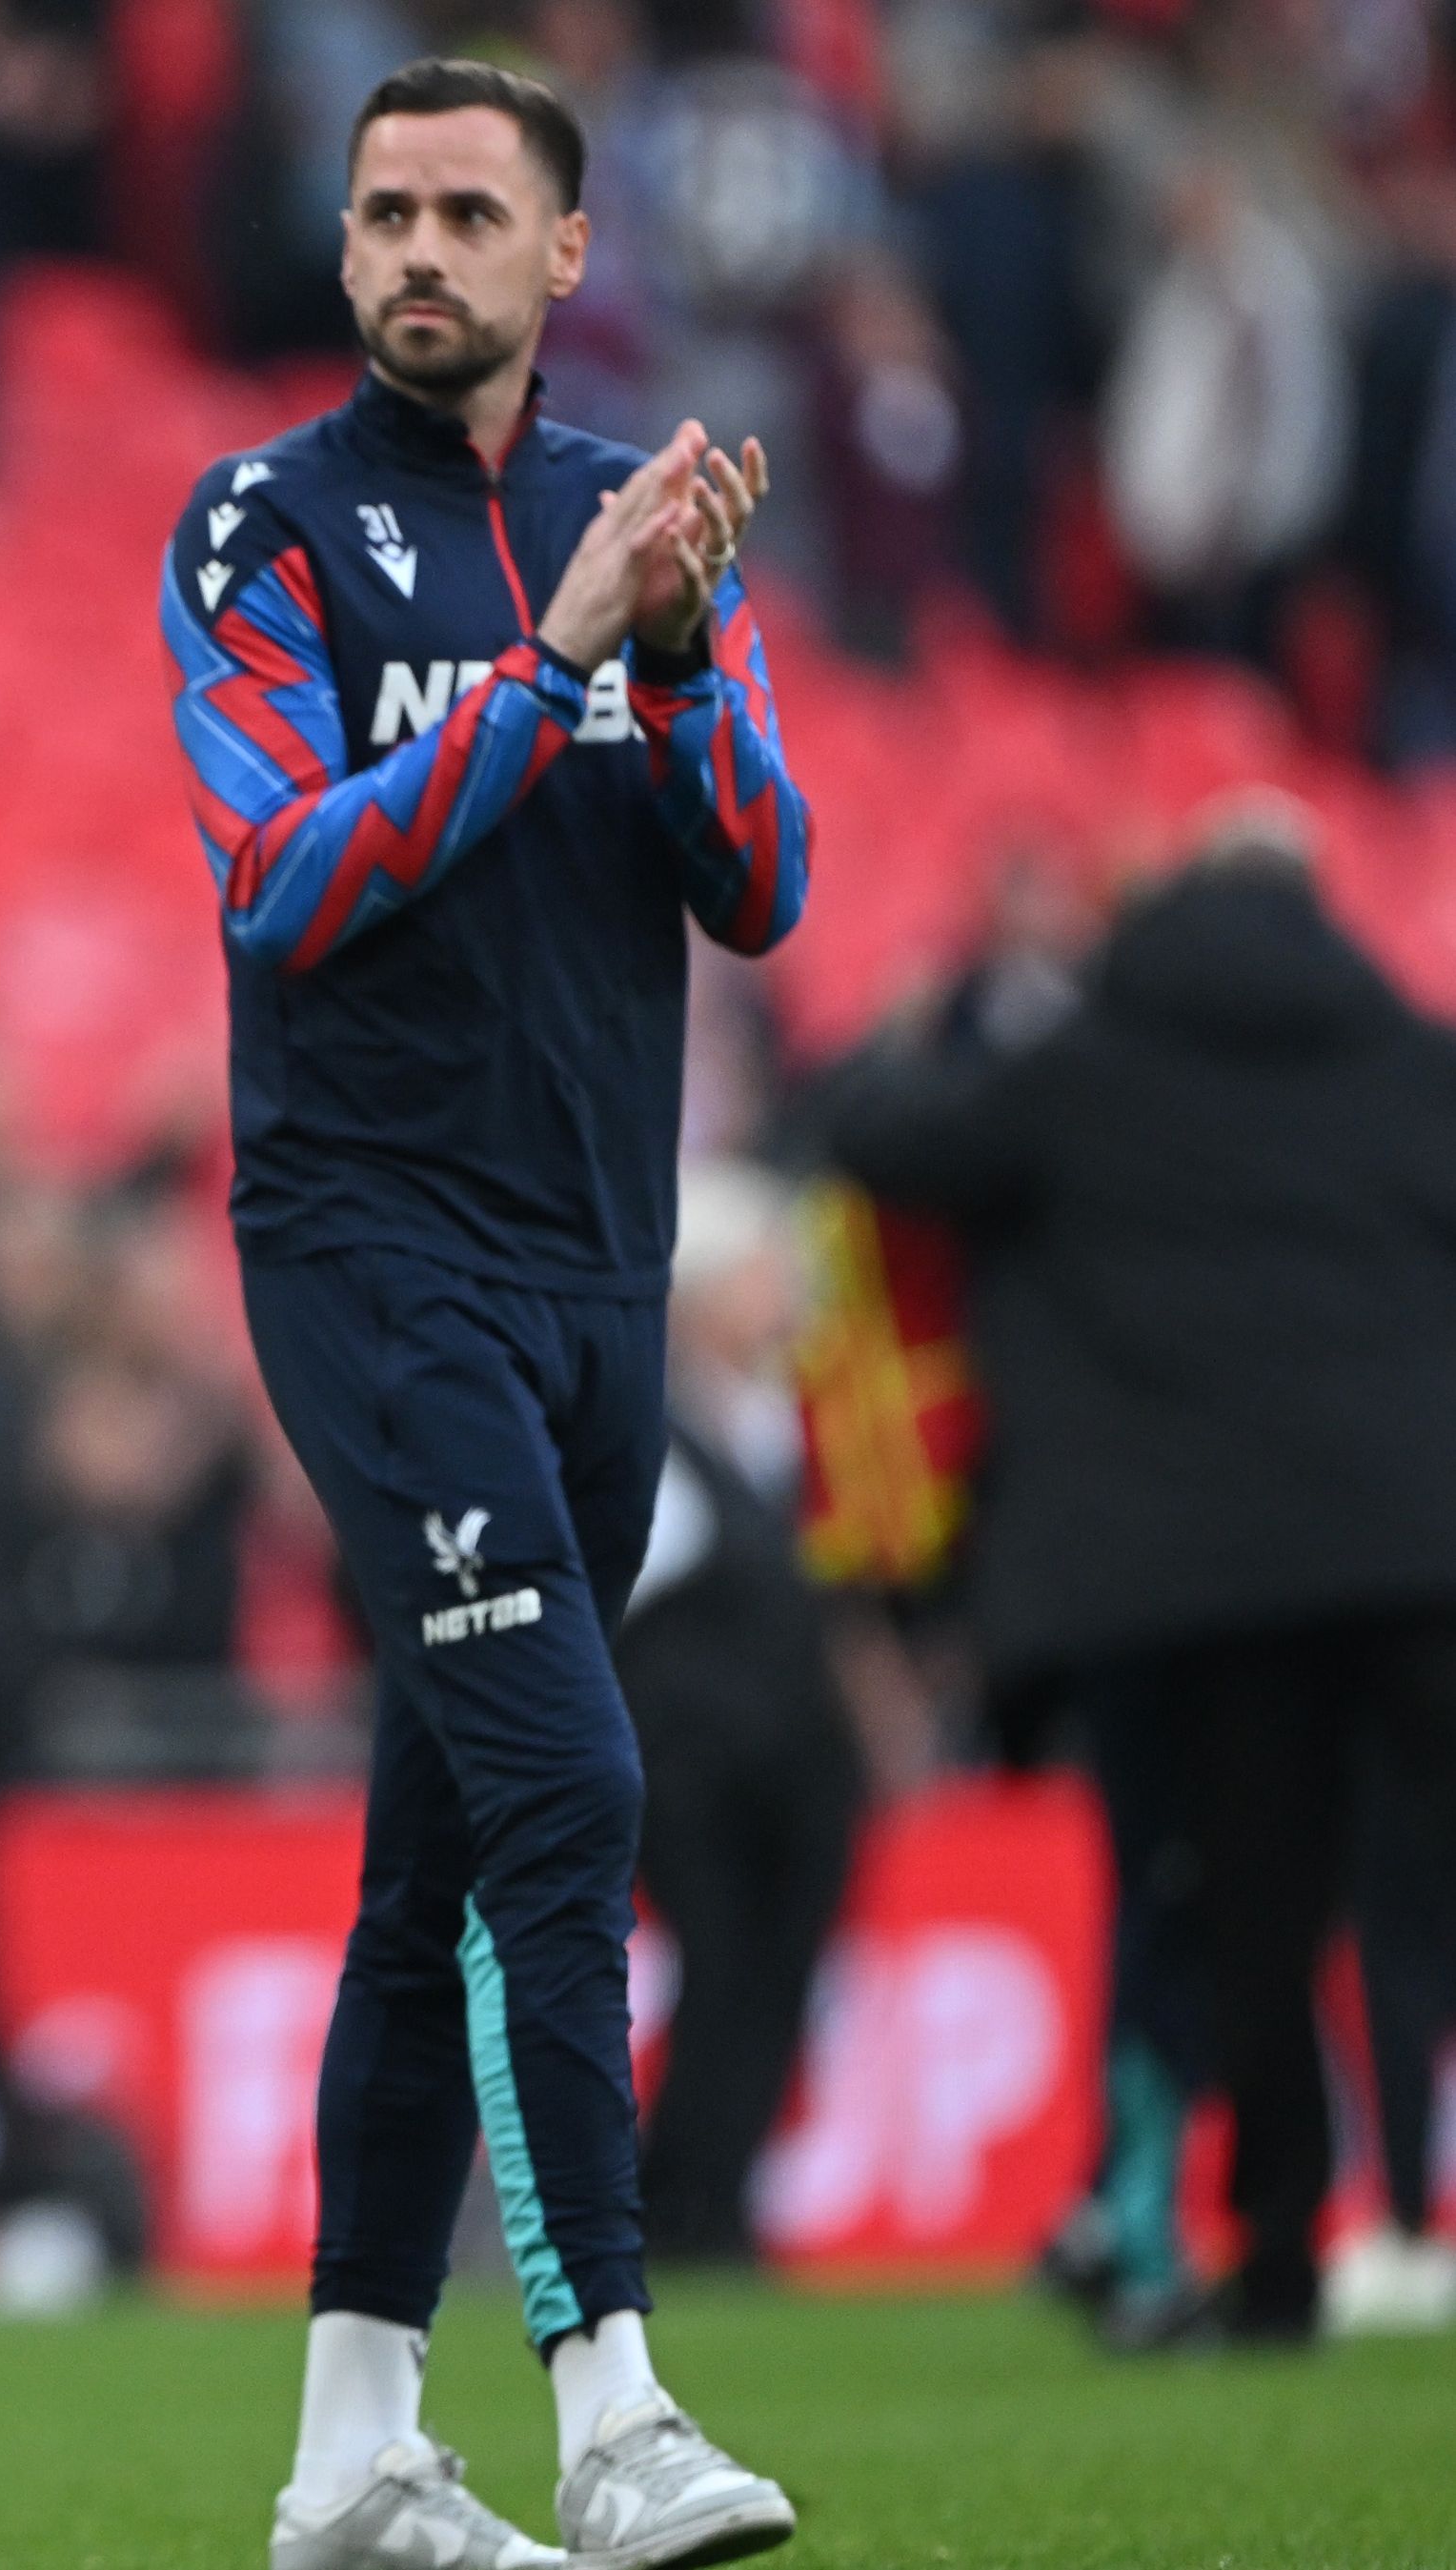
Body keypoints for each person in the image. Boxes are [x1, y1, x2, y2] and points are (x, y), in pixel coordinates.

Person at [158, 57, 812, 2570]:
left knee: (436, 1857)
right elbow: (280, 881)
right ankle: (609, 2404)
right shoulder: (264, 524)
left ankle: (346, 2462)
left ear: (563, 255)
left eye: (465, 211)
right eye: (381, 211)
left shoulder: (634, 521)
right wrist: (553, 666)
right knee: (568, 1796)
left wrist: (676, 652)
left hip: (599, 1269)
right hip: (375, 1253)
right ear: (343, 250)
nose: (416, 249)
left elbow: (760, 883)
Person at [823, 814, 1456, 2345]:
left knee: (1248, 1910)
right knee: (1411, 1891)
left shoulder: (1079, 1073)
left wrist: (900, 1025)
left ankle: (1275, 2254)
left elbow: (879, 1137)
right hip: (1416, 1542)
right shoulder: (1412, 1064)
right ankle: (1366, 2218)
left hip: (1196, 1573)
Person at [615, 1163, 862, 2271]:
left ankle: (717, 2193)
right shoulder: (649, 1432)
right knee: (720, 1968)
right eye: (765, 1274)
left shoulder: (792, 1426)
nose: (788, 1297)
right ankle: (682, 2196)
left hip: (798, 1760)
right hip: (688, 1762)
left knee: (777, 1974)